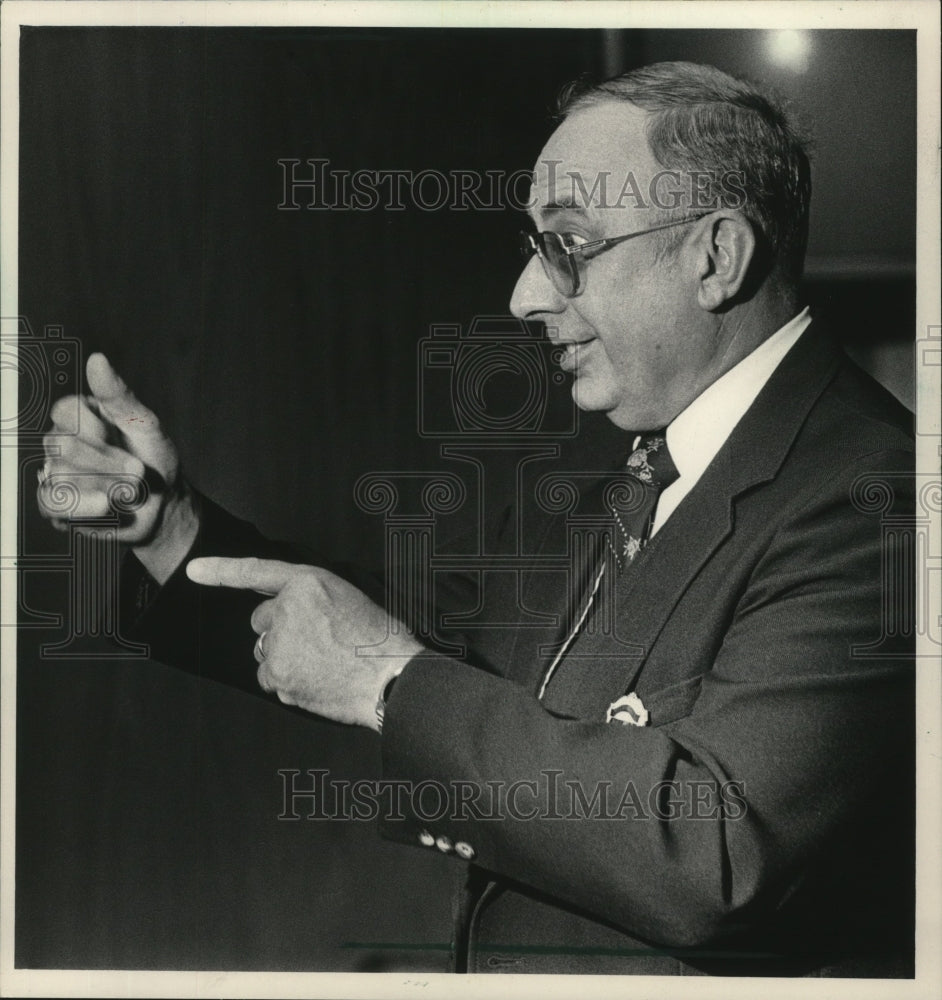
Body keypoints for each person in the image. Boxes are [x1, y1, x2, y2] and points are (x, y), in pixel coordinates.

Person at [38, 62, 914, 976]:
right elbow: (392, 628)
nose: (525, 296)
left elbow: (719, 853)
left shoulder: (880, 497)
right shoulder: (630, 458)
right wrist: (167, 527)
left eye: (569, 245)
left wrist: (386, 681)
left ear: (715, 257)